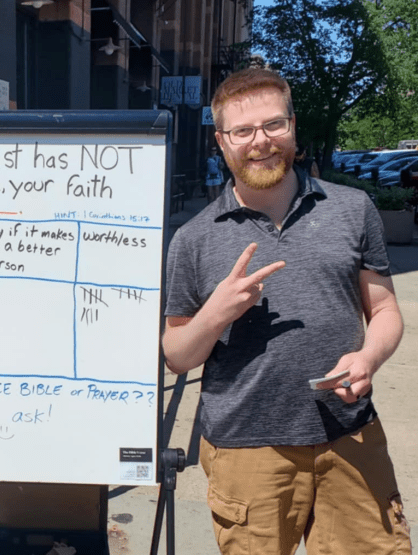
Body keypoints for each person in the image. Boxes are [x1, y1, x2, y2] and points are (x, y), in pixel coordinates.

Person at [163, 68, 411, 554]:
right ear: (221, 141)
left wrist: (369, 358)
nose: (261, 142)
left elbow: (383, 309)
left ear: (293, 126)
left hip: (350, 436)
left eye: (274, 125)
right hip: (246, 450)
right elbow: (176, 355)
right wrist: (215, 314)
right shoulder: (193, 239)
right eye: (243, 131)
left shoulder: (352, 209)